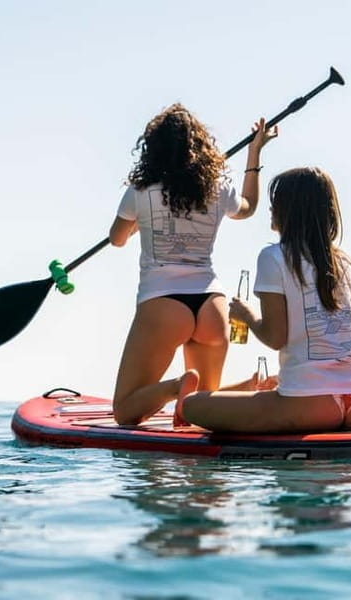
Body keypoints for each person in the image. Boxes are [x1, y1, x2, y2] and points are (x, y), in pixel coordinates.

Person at [176, 167, 351, 433]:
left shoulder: (274, 257)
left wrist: (246, 315)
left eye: (275, 202)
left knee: (192, 405)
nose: (270, 209)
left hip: (312, 405)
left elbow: (275, 337)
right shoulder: (347, 263)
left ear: (289, 211)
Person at [108, 103, 278, 426]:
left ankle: (176, 386)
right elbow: (249, 207)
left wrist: (139, 223)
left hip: (162, 303)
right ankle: (242, 388)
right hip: (211, 304)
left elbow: (117, 238)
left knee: (125, 411)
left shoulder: (140, 191)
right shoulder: (217, 187)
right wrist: (254, 153)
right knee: (202, 411)